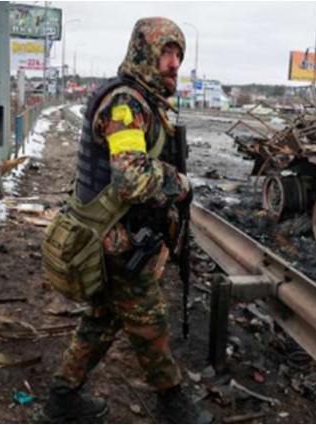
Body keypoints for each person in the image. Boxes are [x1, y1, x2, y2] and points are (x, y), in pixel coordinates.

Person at [40, 17, 213, 425]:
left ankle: (61, 400)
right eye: (165, 53)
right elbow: (132, 177)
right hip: (113, 240)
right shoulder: (126, 104)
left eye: (178, 55)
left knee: (103, 320)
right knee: (149, 322)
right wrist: (182, 182)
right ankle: (174, 404)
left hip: (117, 236)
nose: (173, 63)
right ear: (143, 53)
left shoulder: (144, 100)